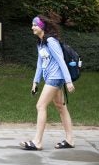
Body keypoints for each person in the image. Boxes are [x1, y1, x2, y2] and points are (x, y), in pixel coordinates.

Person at [20, 15, 75, 150]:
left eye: (35, 25)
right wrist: (35, 82)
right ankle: (70, 140)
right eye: (32, 25)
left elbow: (61, 61)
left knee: (40, 106)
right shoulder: (40, 43)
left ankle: (37, 142)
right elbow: (40, 64)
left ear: (42, 27)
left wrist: (68, 81)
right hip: (50, 77)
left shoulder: (51, 41)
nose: (32, 27)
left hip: (55, 78)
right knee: (61, 107)